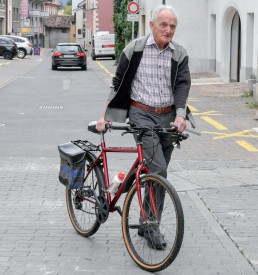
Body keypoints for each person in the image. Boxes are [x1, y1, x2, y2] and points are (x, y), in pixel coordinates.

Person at [96, 4, 196, 249]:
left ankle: (142, 216)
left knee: (152, 173)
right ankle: (151, 226)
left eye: (172, 26)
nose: (168, 30)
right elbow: (117, 82)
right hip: (140, 115)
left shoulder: (179, 54)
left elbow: (183, 86)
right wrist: (105, 115)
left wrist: (181, 115)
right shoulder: (135, 49)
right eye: (163, 24)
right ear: (151, 25)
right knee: (159, 171)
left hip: (168, 119)